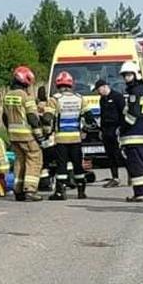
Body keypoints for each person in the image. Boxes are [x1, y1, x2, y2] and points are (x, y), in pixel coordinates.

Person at [44, 71, 94, 201]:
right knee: (78, 165)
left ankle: (60, 192)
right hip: (76, 138)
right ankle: (81, 191)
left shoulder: (54, 99)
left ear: (57, 84)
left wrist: (46, 131)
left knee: (62, 166)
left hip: (61, 139)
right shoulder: (79, 98)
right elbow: (89, 118)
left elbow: (47, 118)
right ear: (71, 84)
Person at [2, 66, 44, 202]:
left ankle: (18, 190)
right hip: (27, 135)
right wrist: (39, 135)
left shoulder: (7, 96)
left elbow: (5, 117)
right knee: (34, 159)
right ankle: (30, 190)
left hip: (13, 136)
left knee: (19, 161)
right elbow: (32, 117)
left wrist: (10, 131)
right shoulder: (26, 97)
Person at [118, 61, 143, 202]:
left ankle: (140, 193)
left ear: (136, 75)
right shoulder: (142, 91)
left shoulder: (135, 93)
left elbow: (132, 115)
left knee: (136, 165)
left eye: (128, 75)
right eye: (125, 76)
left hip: (133, 136)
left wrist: (121, 127)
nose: (126, 78)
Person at [93, 79, 126, 188]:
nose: (98, 92)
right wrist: (101, 131)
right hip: (106, 130)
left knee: (120, 154)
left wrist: (121, 128)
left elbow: (123, 114)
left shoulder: (117, 97)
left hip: (116, 129)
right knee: (110, 155)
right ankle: (115, 178)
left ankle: (131, 174)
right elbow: (102, 116)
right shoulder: (102, 99)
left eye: (99, 89)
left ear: (104, 87)